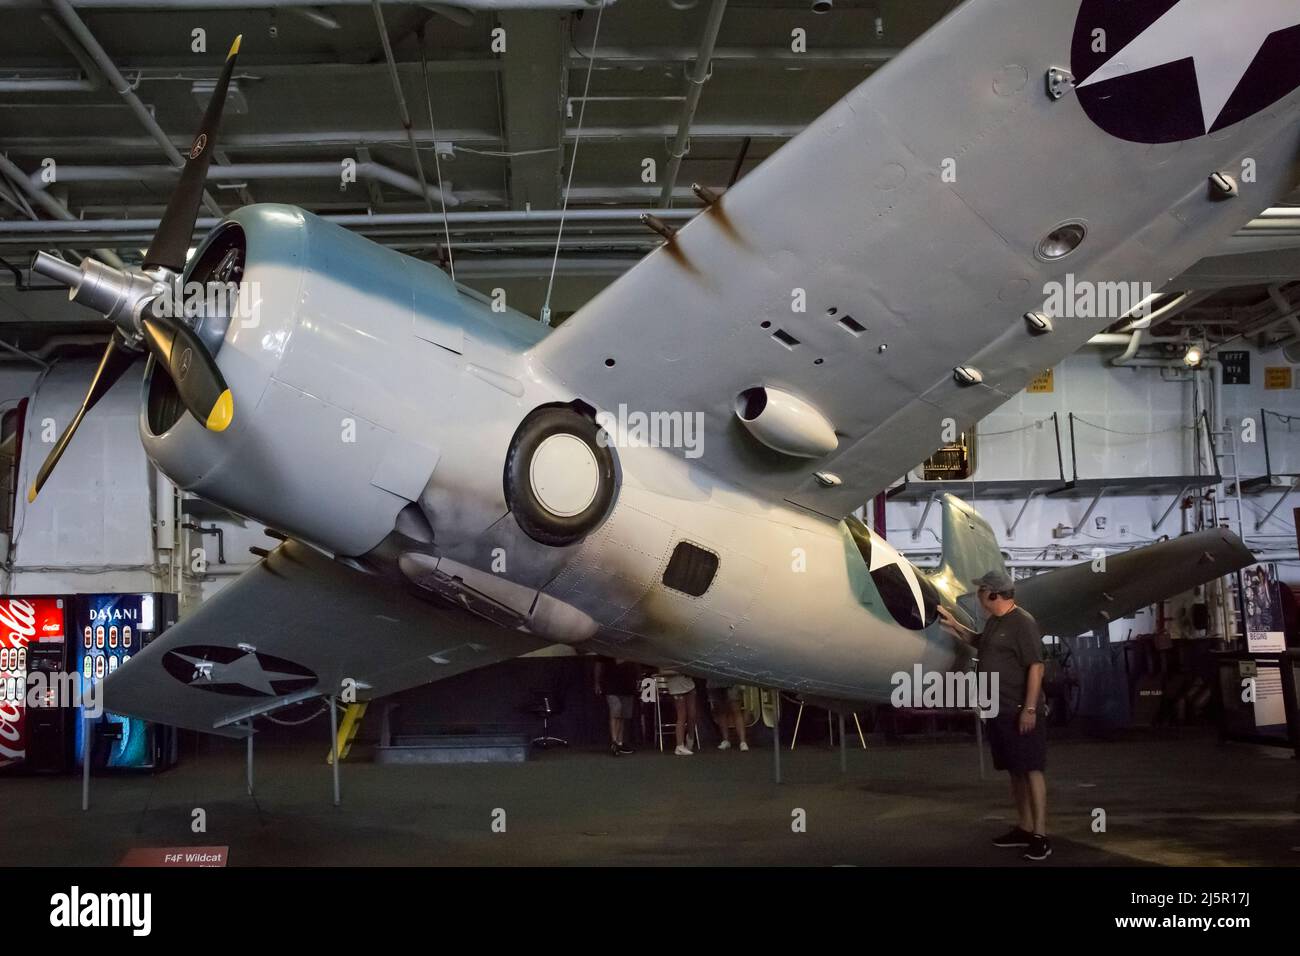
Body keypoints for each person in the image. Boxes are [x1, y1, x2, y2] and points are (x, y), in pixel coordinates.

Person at [937, 569, 1050, 862]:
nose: (978, 595)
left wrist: (1030, 709)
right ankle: (1024, 828)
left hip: (1019, 709)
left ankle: (1040, 835)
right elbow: (981, 643)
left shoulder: (1022, 623)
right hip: (998, 709)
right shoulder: (995, 622)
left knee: (1031, 769)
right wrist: (955, 627)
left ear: (993, 594)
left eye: (981, 590)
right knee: (1015, 769)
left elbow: (1036, 666)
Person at [594, 656, 640, 756]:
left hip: (627, 685)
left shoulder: (629, 648)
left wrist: (637, 680)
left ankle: (620, 742)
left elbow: (636, 663)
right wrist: (597, 683)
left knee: (623, 714)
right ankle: (614, 742)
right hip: (611, 685)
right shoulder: (605, 649)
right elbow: (598, 665)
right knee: (616, 710)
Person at [660, 671, 698, 756]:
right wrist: (679, 671)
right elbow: (662, 672)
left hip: (689, 684)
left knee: (692, 714)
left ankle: (690, 738)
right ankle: (679, 746)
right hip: (676, 687)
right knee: (682, 715)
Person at [708, 680, 749, 751]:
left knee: (736, 709)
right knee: (721, 711)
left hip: (732, 680)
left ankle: (743, 741)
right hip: (716, 681)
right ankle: (725, 740)